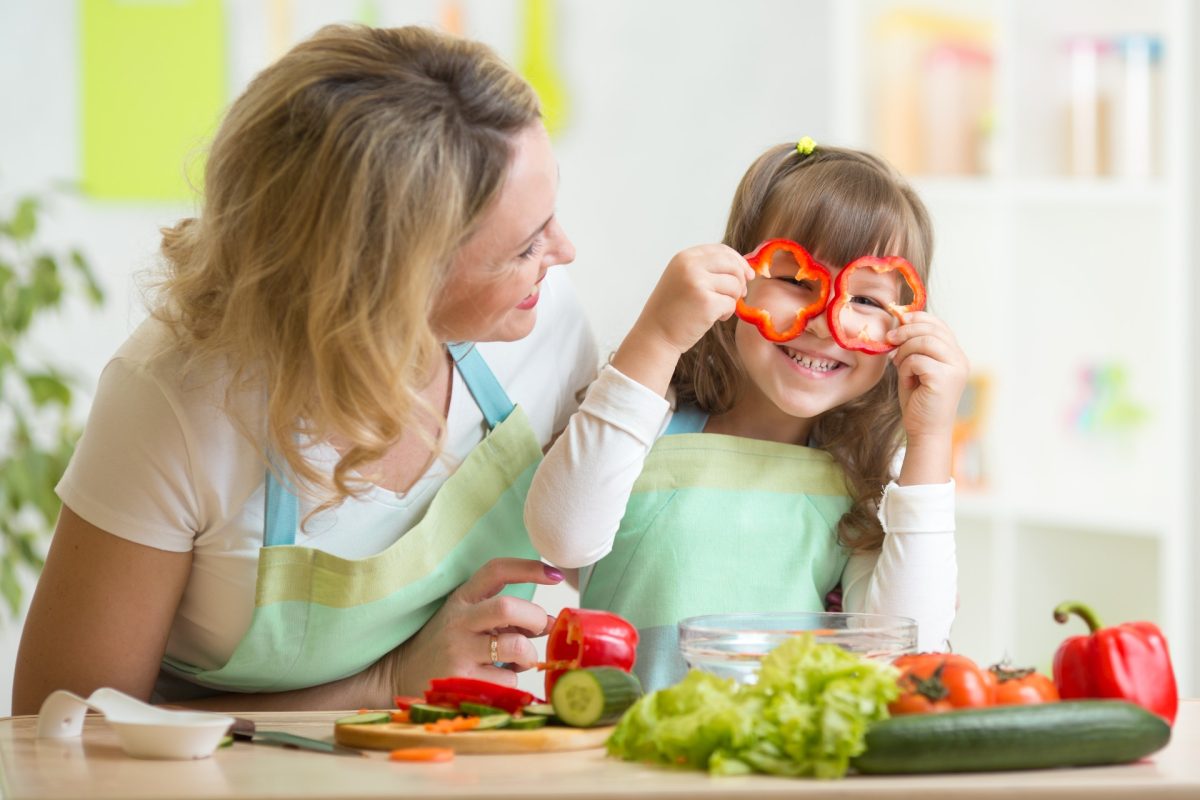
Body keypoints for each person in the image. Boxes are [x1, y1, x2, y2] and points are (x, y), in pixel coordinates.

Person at [12, 24, 597, 715]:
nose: (564, 252)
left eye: (550, 218)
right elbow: (60, 727)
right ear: (390, 283)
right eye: (524, 247)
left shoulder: (541, 320)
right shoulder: (178, 400)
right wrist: (383, 687)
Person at [525, 140, 967, 690]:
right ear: (736, 276)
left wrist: (930, 440)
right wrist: (658, 336)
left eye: (868, 301)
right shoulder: (649, 420)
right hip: (618, 759)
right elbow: (562, 539)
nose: (826, 322)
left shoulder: (863, 478)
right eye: (797, 281)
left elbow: (910, 651)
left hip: (779, 770)